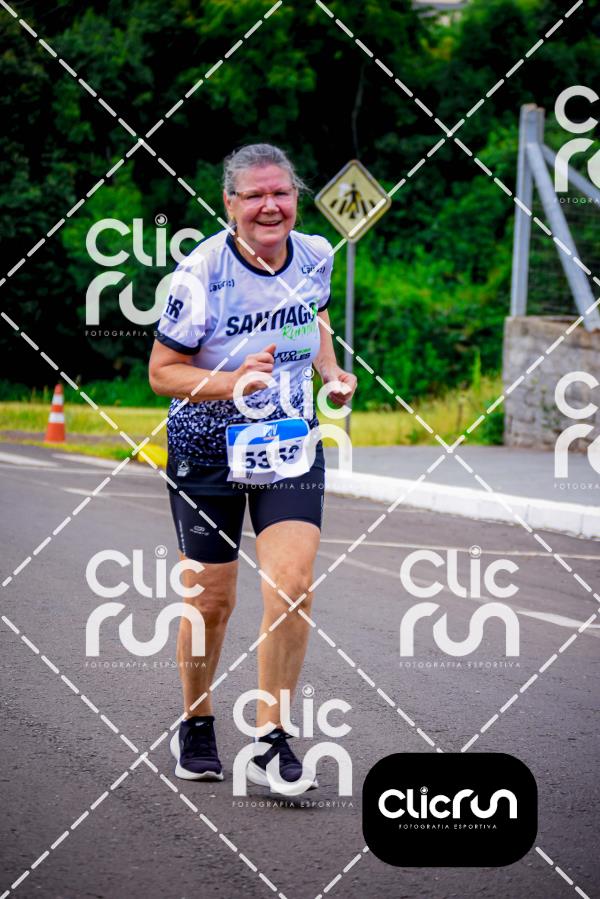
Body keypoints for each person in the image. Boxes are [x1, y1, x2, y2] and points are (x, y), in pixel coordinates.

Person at [148, 143, 357, 792]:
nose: (271, 206)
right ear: (230, 203)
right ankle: (196, 720)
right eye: (255, 195)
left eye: (282, 193)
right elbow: (162, 372)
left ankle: (272, 738)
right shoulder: (201, 272)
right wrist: (232, 379)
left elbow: (314, 314)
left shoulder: (315, 255)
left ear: (296, 198)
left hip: (288, 444)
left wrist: (330, 371)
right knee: (211, 600)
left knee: (293, 584)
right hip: (206, 449)